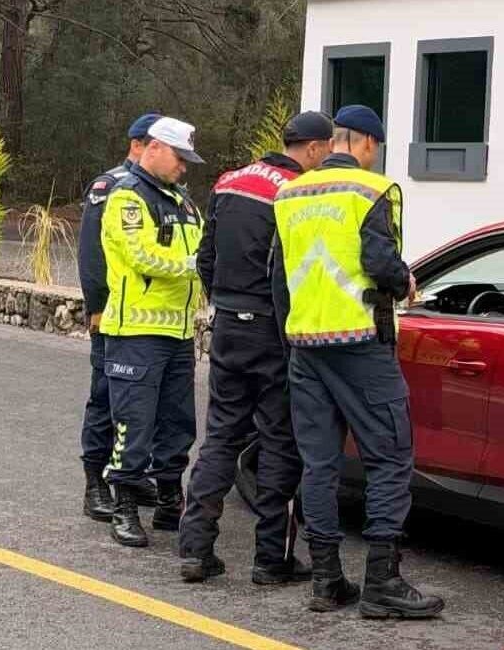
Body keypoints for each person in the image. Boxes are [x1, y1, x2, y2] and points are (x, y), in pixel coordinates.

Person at [272, 104, 444, 618]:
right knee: (390, 456)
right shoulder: (372, 190)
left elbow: (278, 277)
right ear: (367, 143)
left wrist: (293, 337)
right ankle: (382, 581)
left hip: (306, 345)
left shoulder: (288, 193)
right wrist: (404, 279)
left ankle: (326, 579)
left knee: (320, 464)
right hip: (360, 343)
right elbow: (377, 262)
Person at [179, 111, 334, 583]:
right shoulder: (296, 191)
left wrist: (225, 302)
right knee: (279, 442)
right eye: (326, 149)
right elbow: (298, 272)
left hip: (227, 324)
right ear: (311, 148)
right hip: (273, 330)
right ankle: (272, 559)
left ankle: (195, 549)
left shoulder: (229, 181)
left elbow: (206, 258)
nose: (327, 158)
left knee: (222, 436)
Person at [98, 116, 205, 547]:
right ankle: (123, 503)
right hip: (135, 332)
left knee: (178, 423)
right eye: (180, 158)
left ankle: (167, 499)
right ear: (155, 149)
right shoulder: (127, 196)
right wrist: (193, 267)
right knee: (134, 423)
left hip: (178, 333)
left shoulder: (184, 202)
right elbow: (141, 256)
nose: (184, 167)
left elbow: (203, 247)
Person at [78, 113, 161, 522]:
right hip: (112, 313)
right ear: (139, 144)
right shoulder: (108, 186)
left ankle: (129, 474)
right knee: (105, 397)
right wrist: (96, 307)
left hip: (145, 320)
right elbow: (92, 257)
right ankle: (95, 481)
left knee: (140, 404)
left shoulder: (159, 189)